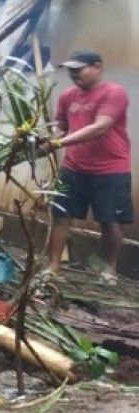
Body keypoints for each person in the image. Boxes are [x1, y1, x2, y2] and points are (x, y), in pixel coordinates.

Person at [45, 50, 132, 282]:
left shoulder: (114, 93)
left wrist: (57, 143)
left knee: (109, 220)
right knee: (61, 216)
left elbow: (100, 127)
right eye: (70, 70)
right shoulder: (67, 96)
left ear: (97, 67)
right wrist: (50, 136)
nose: (73, 74)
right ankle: (53, 267)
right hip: (74, 166)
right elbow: (61, 125)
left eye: (79, 69)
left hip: (111, 168)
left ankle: (109, 270)